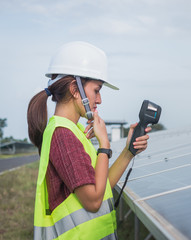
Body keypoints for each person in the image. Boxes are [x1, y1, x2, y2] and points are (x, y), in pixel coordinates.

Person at [27, 41, 151, 240]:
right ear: (75, 89)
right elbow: (93, 201)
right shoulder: (63, 136)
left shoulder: (72, 131)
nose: (100, 99)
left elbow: (101, 189)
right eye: (97, 90)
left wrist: (129, 151)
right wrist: (104, 145)